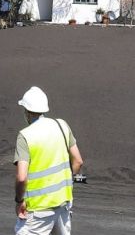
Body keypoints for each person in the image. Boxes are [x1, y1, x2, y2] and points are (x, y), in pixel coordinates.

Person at [14, 86, 83, 235]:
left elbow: (21, 177)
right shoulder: (61, 125)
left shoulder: (25, 135)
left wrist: (19, 201)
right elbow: (78, 161)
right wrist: (67, 182)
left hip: (38, 208)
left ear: (26, 111)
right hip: (63, 202)